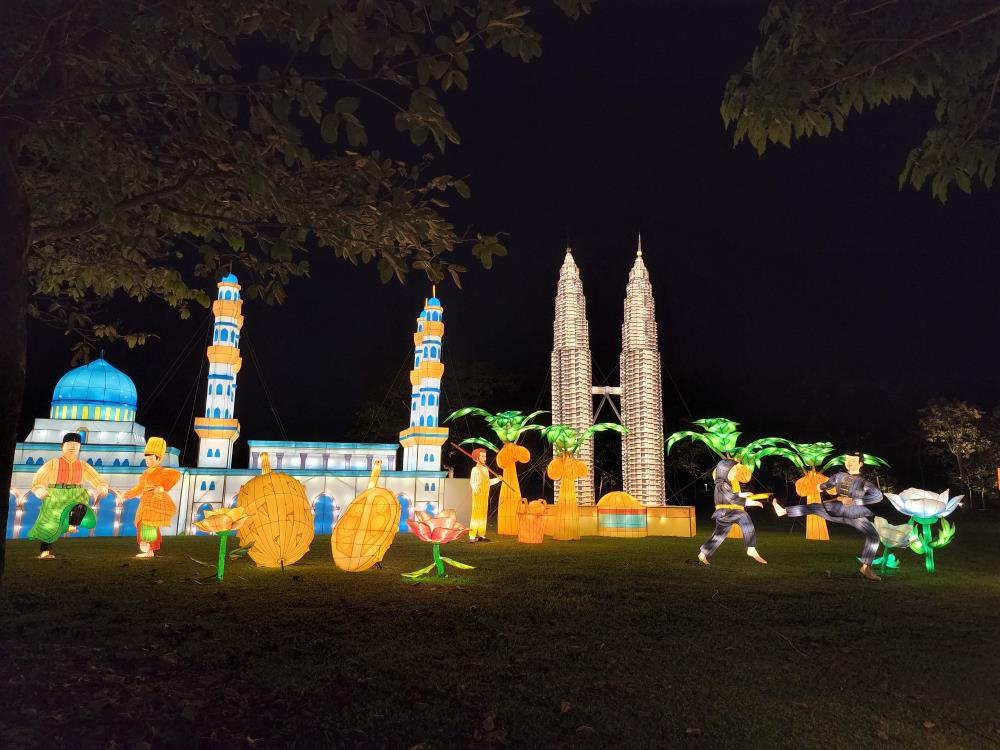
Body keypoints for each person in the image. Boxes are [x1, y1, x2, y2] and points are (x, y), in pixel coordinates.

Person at [773, 451, 883, 581]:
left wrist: (857, 501)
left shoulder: (864, 483)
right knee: (814, 507)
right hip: (836, 508)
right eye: (847, 460)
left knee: (874, 536)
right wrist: (820, 486)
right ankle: (784, 511)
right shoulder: (839, 476)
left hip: (855, 513)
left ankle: (866, 568)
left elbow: (878, 496)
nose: (849, 463)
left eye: (853, 460)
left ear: (860, 464)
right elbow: (825, 485)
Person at [28, 433, 108, 559]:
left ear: (80, 447)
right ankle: (45, 551)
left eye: (76, 445)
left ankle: (72, 524)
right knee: (50, 523)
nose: (72, 447)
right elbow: (39, 478)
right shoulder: (53, 463)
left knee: (80, 506)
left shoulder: (83, 465)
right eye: (69, 444)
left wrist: (102, 487)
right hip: (55, 494)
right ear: (62, 446)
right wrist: (39, 489)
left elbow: (96, 478)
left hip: (76, 493)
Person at [698, 459, 768, 566]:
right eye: (733, 471)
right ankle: (751, 548)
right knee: (743, 515)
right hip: (726, 511)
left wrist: (744, 494)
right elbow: (732, 498)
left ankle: (703, 554)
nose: (735, 473)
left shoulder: (725, 484)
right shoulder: (722, 485)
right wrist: (753, 503)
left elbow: (734, 495)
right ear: (725, 471)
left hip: (724, 513)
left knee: (719, 534)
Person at [125, 437, 181, 558]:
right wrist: (125, 494)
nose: (148, 461)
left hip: (154, 502)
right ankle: (148, 550)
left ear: (158, 459)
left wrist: (161, 488)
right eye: (146, 459)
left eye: (151, 459)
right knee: (141, 522)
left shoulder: (162, 471)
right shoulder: (145, 474)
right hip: (144, 502)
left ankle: (149, 550)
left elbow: (176, 474)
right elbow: (139, 488)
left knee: (149, 524)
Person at [468, 448, 499, 542]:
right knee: (476, 516)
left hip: (485, 496)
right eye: (482, 456)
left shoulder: (485, 469)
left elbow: (487, 482)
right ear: (477, 458)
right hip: (478, 495)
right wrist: (477, 491)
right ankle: (472, 535)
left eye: (485, 456)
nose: (484, 458)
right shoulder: (475, 469)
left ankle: (481, 534)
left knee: (483, 515)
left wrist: (497, 479)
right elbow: (472, 482)